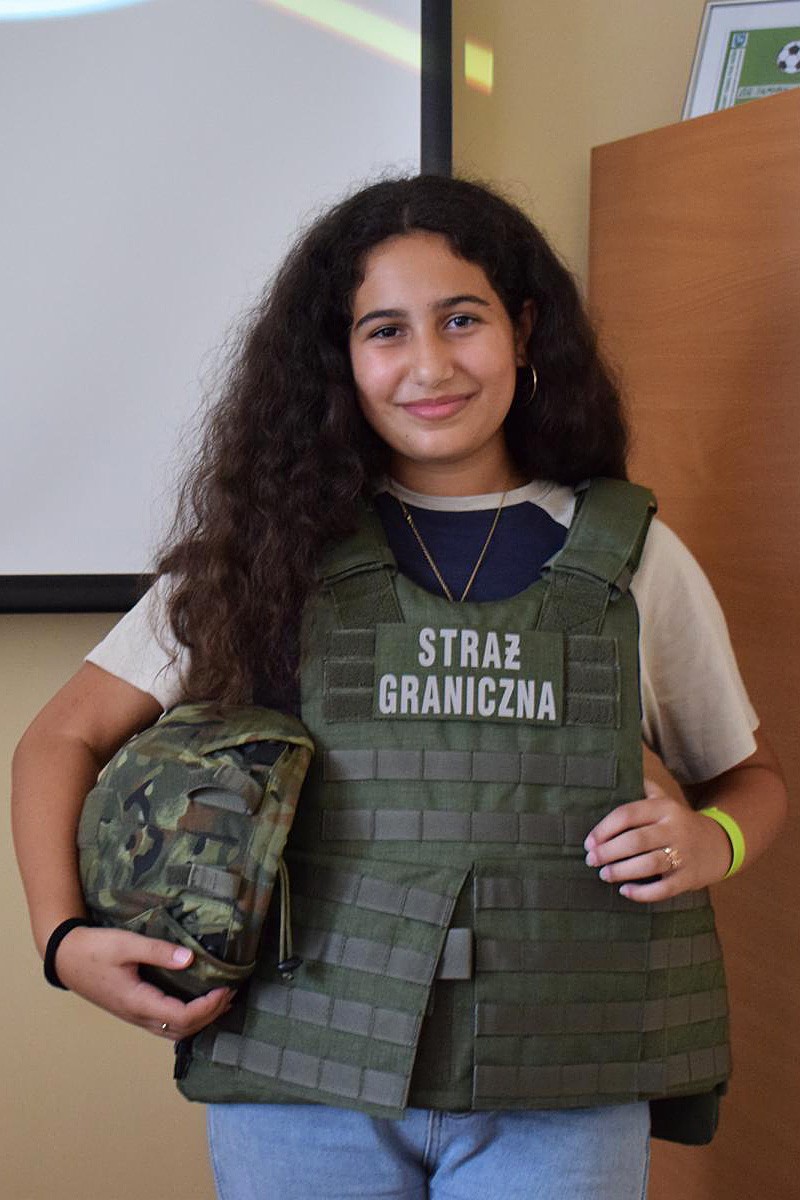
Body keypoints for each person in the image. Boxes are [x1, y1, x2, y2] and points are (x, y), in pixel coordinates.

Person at [12, 175, 787, 1200]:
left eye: (461, 319)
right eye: (384, 331)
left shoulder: (634, 557)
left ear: (522, 330)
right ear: (337, 359)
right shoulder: (267, 553)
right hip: (302, 1081)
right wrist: (62, 941)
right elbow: (58, 741)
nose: (429, 364)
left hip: (561, 1081)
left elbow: (750, 782)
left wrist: (710, 839)